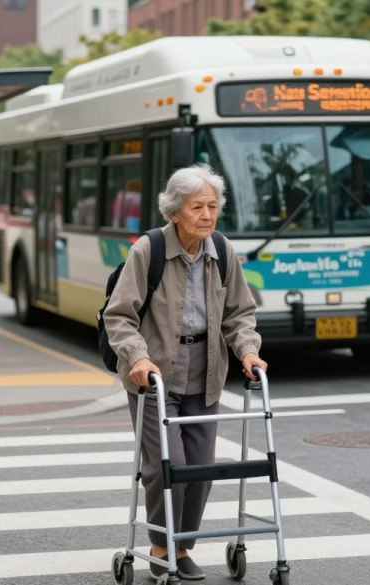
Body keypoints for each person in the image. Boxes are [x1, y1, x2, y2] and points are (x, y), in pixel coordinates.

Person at [103, 164, 267, 581]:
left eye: (213, 206)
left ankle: (184, 546)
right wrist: (137, 358)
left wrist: (248, 351)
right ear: (175, 211)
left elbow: (240, 314)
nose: (207, 215)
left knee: (201, 467)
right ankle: (161, 549)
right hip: (155, 376)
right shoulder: (148, 250)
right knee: (167, 466)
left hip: (206, 374)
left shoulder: (222, 252)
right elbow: (118, 316)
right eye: (198, 207)